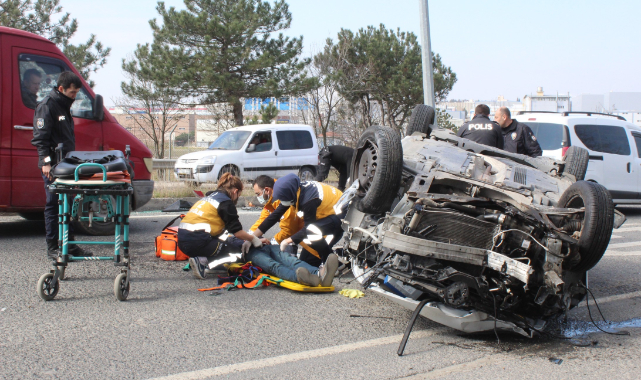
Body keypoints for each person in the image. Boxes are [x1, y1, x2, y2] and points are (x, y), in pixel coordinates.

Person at [31, 71, 92, 259]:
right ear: (61, 89)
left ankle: (70, 244)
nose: (74, 97)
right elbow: (41, 139)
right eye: (72, 93)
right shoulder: (47, 106)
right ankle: (53, 247)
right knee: (53, 204)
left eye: (76, 93)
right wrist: (46, 163)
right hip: (53, 165)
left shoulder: (63, 106)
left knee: (69, 203)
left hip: (66, 164)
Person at [177, 173, 265, 280]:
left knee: (227, 243)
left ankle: (201, 257)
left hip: (183, 241)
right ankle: (203, 261)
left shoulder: (209, 198)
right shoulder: (226, 203)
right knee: (237, 252)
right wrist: (254, 239)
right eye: (239, 195)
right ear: (235, 191)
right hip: (197, 242)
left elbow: (222, 231)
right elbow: (237, 232)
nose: (237, 198)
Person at [251, 173, 344, 271]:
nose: (281, 201)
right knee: (304, 262)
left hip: (340, 218)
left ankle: (334, 264)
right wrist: (252, 238)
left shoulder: (309, 200)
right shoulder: (295, 192)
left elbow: (308, 229)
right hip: (327, 216)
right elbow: (273, 217)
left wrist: (287, 241)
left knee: (312, 233)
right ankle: (335, 261)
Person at [250, 175, 304, 253]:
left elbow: (288, 229)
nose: (257, 197)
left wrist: (272, 243)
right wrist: (249, 236)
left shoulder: (281, 198)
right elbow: (263, 221)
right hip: (302, 233)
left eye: (258, 194)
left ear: (267, 190)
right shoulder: (270, 201)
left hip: (309, 232)